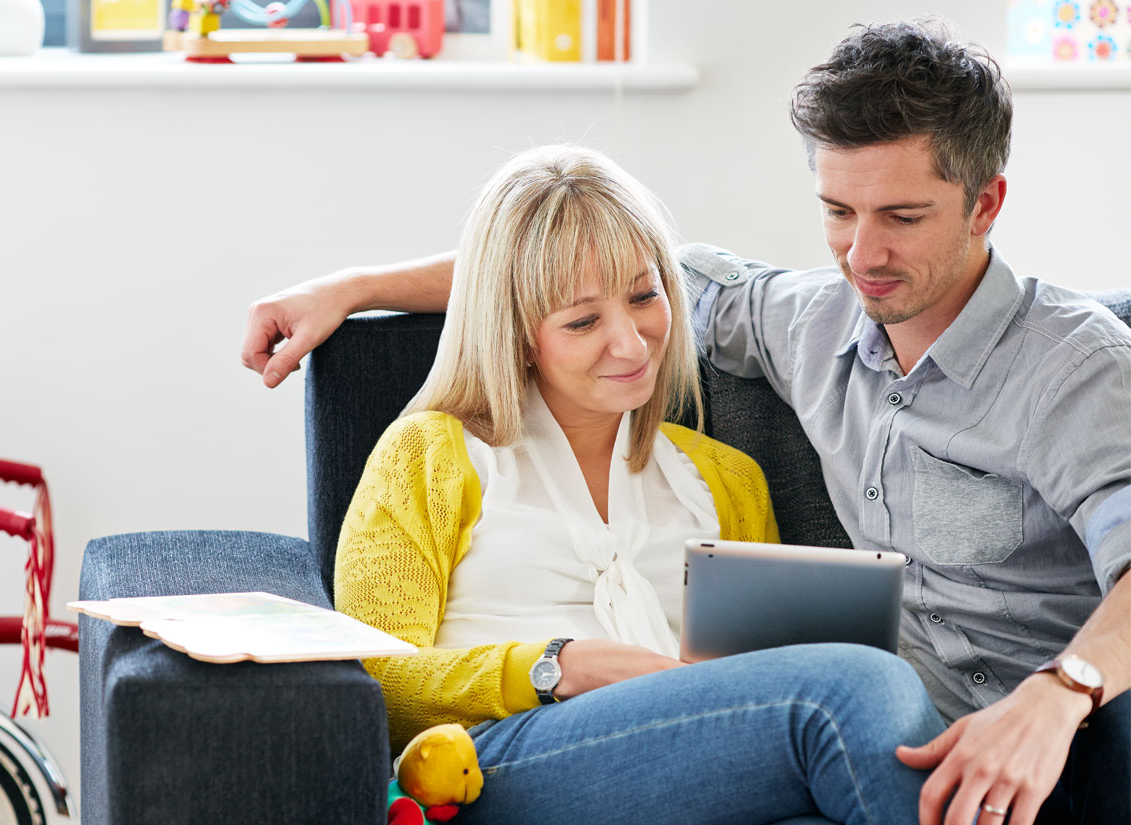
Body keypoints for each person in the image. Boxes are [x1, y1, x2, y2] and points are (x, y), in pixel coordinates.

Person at [246, 21, 1131, 825]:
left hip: (1017, 741)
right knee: (862, 684)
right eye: (836, 212)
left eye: (901, 218)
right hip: (543, 752)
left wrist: (1063, 691)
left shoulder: (1073, 366)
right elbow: (563, 264)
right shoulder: (809, 318)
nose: (862, 255)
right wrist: (351, 288)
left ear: (984, 204)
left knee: (859, 697)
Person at [333, 143, 944, 825]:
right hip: (492, 765)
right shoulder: (429, 453)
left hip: (689, 764)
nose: (630, 342)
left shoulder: (724, 478)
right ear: (516, 332)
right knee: (858, 685)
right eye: (582, 320)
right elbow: (371, 681)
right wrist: (558, 666)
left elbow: (761, 686)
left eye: (643, 296)